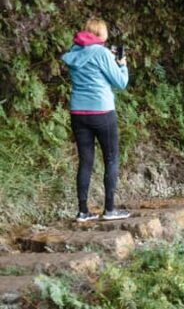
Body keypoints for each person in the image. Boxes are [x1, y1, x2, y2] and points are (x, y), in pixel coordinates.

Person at [62, 18, 130, 223]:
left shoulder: (74, 52)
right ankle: (109, 209)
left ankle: (82, 211)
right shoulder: (101, 53)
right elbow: (121, 82)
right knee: (111, 158)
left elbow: (88, 62)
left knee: (85, 161)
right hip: (101, 111)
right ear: (101, 34)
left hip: (78, 112)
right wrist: (122, 64)